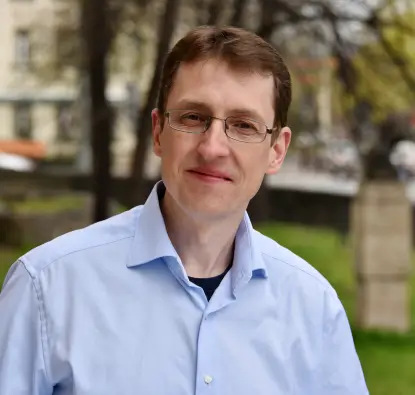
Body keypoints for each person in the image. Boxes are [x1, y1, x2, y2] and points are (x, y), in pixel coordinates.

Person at [0, 26, 369, 394]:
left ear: (277, 150)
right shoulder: (46, 288)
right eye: (194, 117)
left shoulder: (313, 308)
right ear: (159, 131)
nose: (213, 148)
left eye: (243, 125)